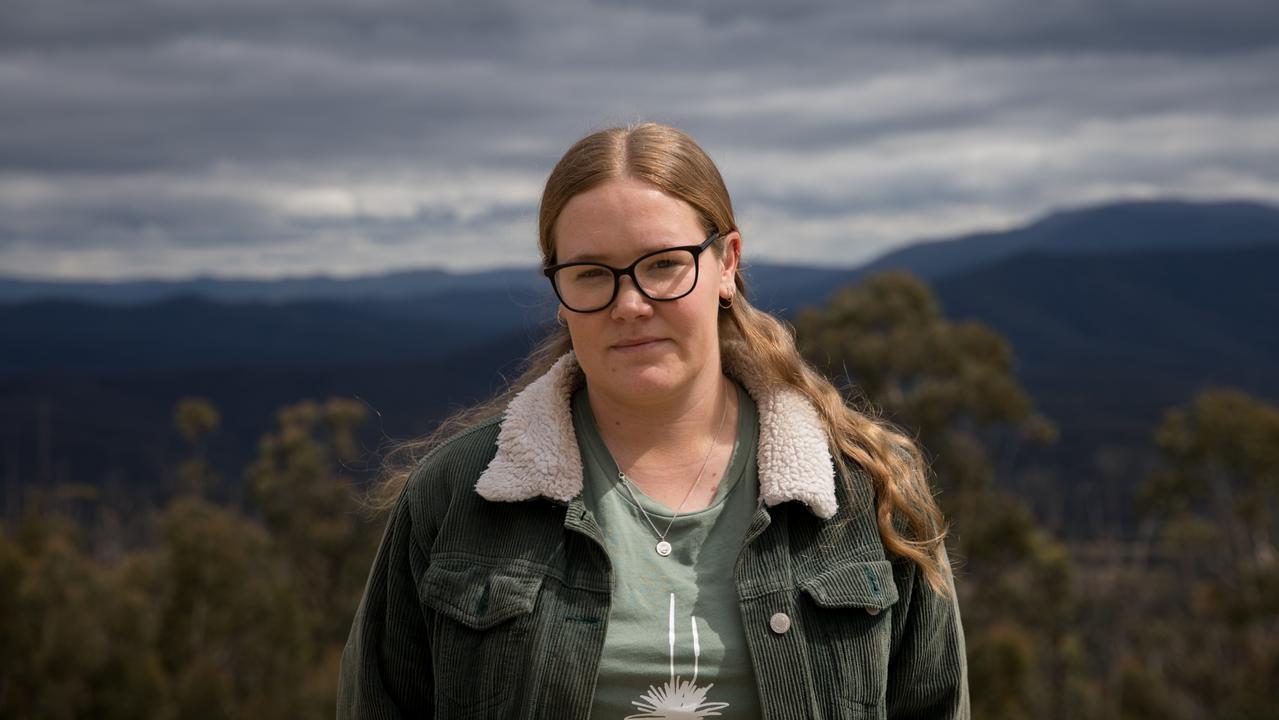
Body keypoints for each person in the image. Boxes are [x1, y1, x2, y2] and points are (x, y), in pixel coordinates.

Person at [337, 122, 969, 719]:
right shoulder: (455, 497)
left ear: (727, 264)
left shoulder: (865, 491)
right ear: (559, 294)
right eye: (590, 274)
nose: (631, 304)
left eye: (664, 263)